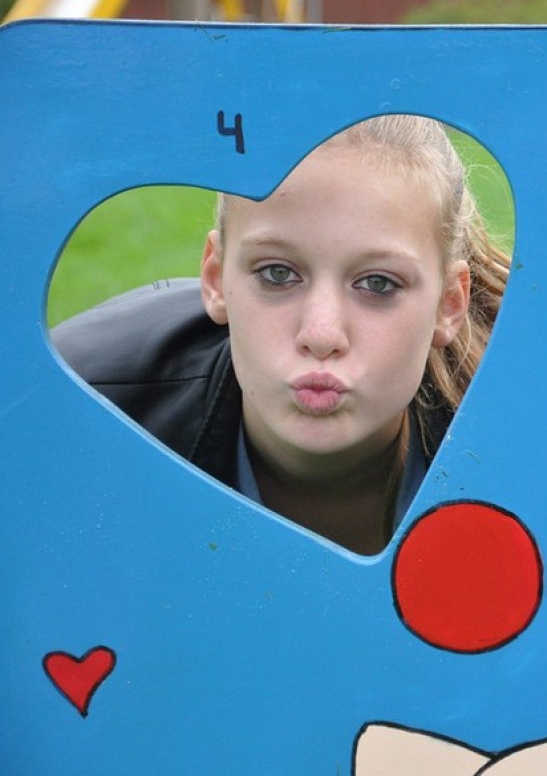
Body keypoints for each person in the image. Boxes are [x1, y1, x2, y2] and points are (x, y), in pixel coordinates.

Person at [53, 114, 510, 554]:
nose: (321, 335)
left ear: (450, 304)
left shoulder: (525, 450)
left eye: (378, 283)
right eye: (277, 273)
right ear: (215, 279)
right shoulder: (75, 408)